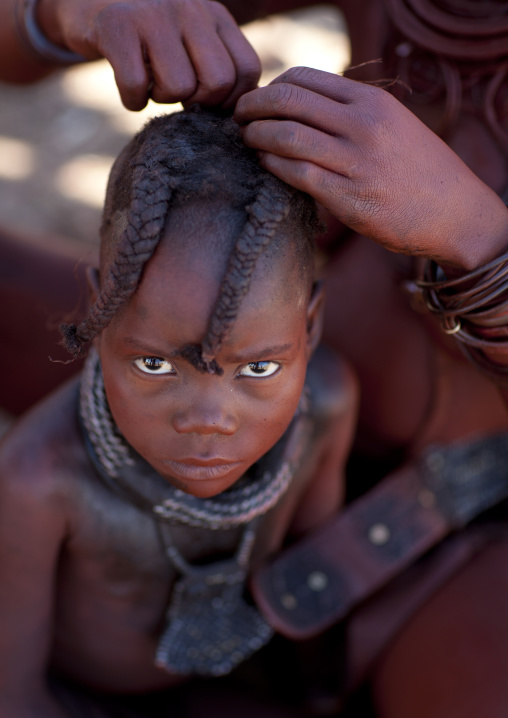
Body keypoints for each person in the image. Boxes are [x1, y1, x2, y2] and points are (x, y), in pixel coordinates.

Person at [0, 105, 358, 718]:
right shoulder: (40, 480)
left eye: (259, 370)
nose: (208, 419)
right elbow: (15, 696)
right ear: (97, 309)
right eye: (156, 366)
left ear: (311, 325)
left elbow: (315, 581)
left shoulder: (326, 404)